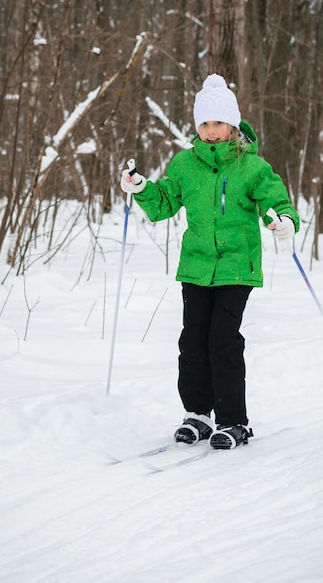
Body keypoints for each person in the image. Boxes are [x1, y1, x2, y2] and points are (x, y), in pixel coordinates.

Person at [120, 73, 299, 450]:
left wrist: (284, 220)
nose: (211, 130)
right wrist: (141, 189)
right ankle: (198, 415)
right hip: (197, 267)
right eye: (204, 123)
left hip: (237, 266)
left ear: (232, 124)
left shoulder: (251, 166)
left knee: (223, 340)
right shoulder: (186, 164)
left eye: (218, 123)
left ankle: (234, 421)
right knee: (192, 342)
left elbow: (275, 199)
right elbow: (165, 203)